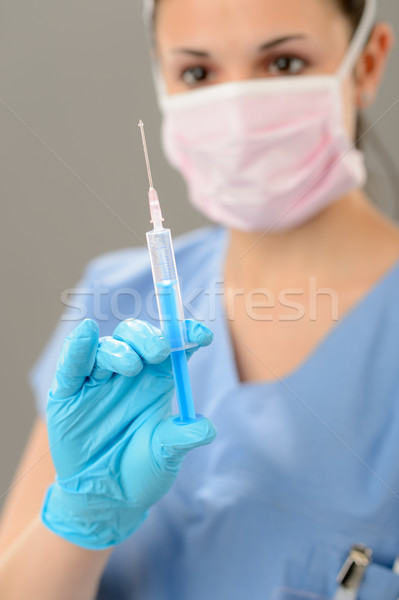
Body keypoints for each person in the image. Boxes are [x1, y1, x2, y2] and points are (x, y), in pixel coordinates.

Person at [1, 0, 399, 598]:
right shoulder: (117, 299)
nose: (237, 111)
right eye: (198, 74)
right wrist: (81, 520)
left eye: (284, 62)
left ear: (366, 65)